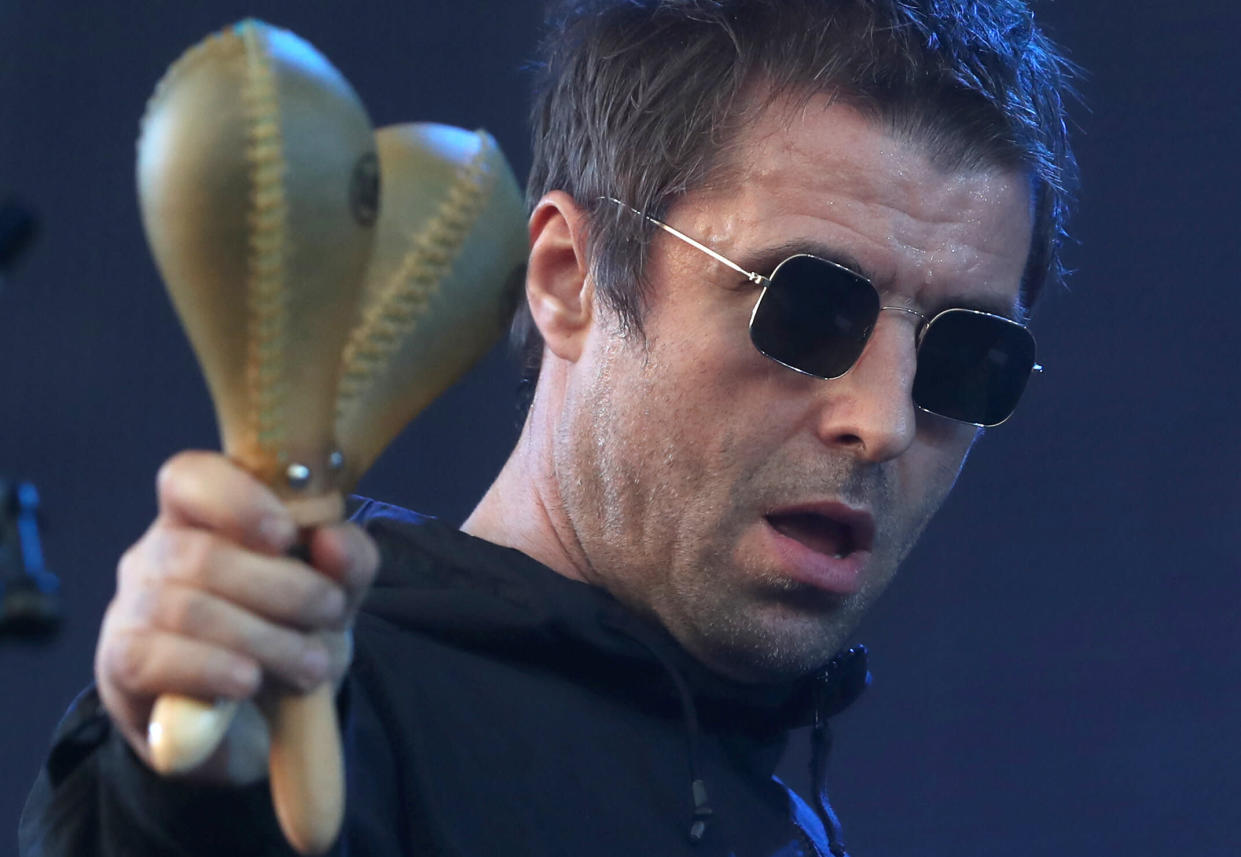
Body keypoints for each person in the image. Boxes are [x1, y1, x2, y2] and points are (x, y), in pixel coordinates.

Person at [20, 1, 1077, 855]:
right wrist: (183, 787)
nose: (882, 420)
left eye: (962, 360)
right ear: (567, 278)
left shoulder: (784, 816)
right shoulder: (316, 702)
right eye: (805, 307)